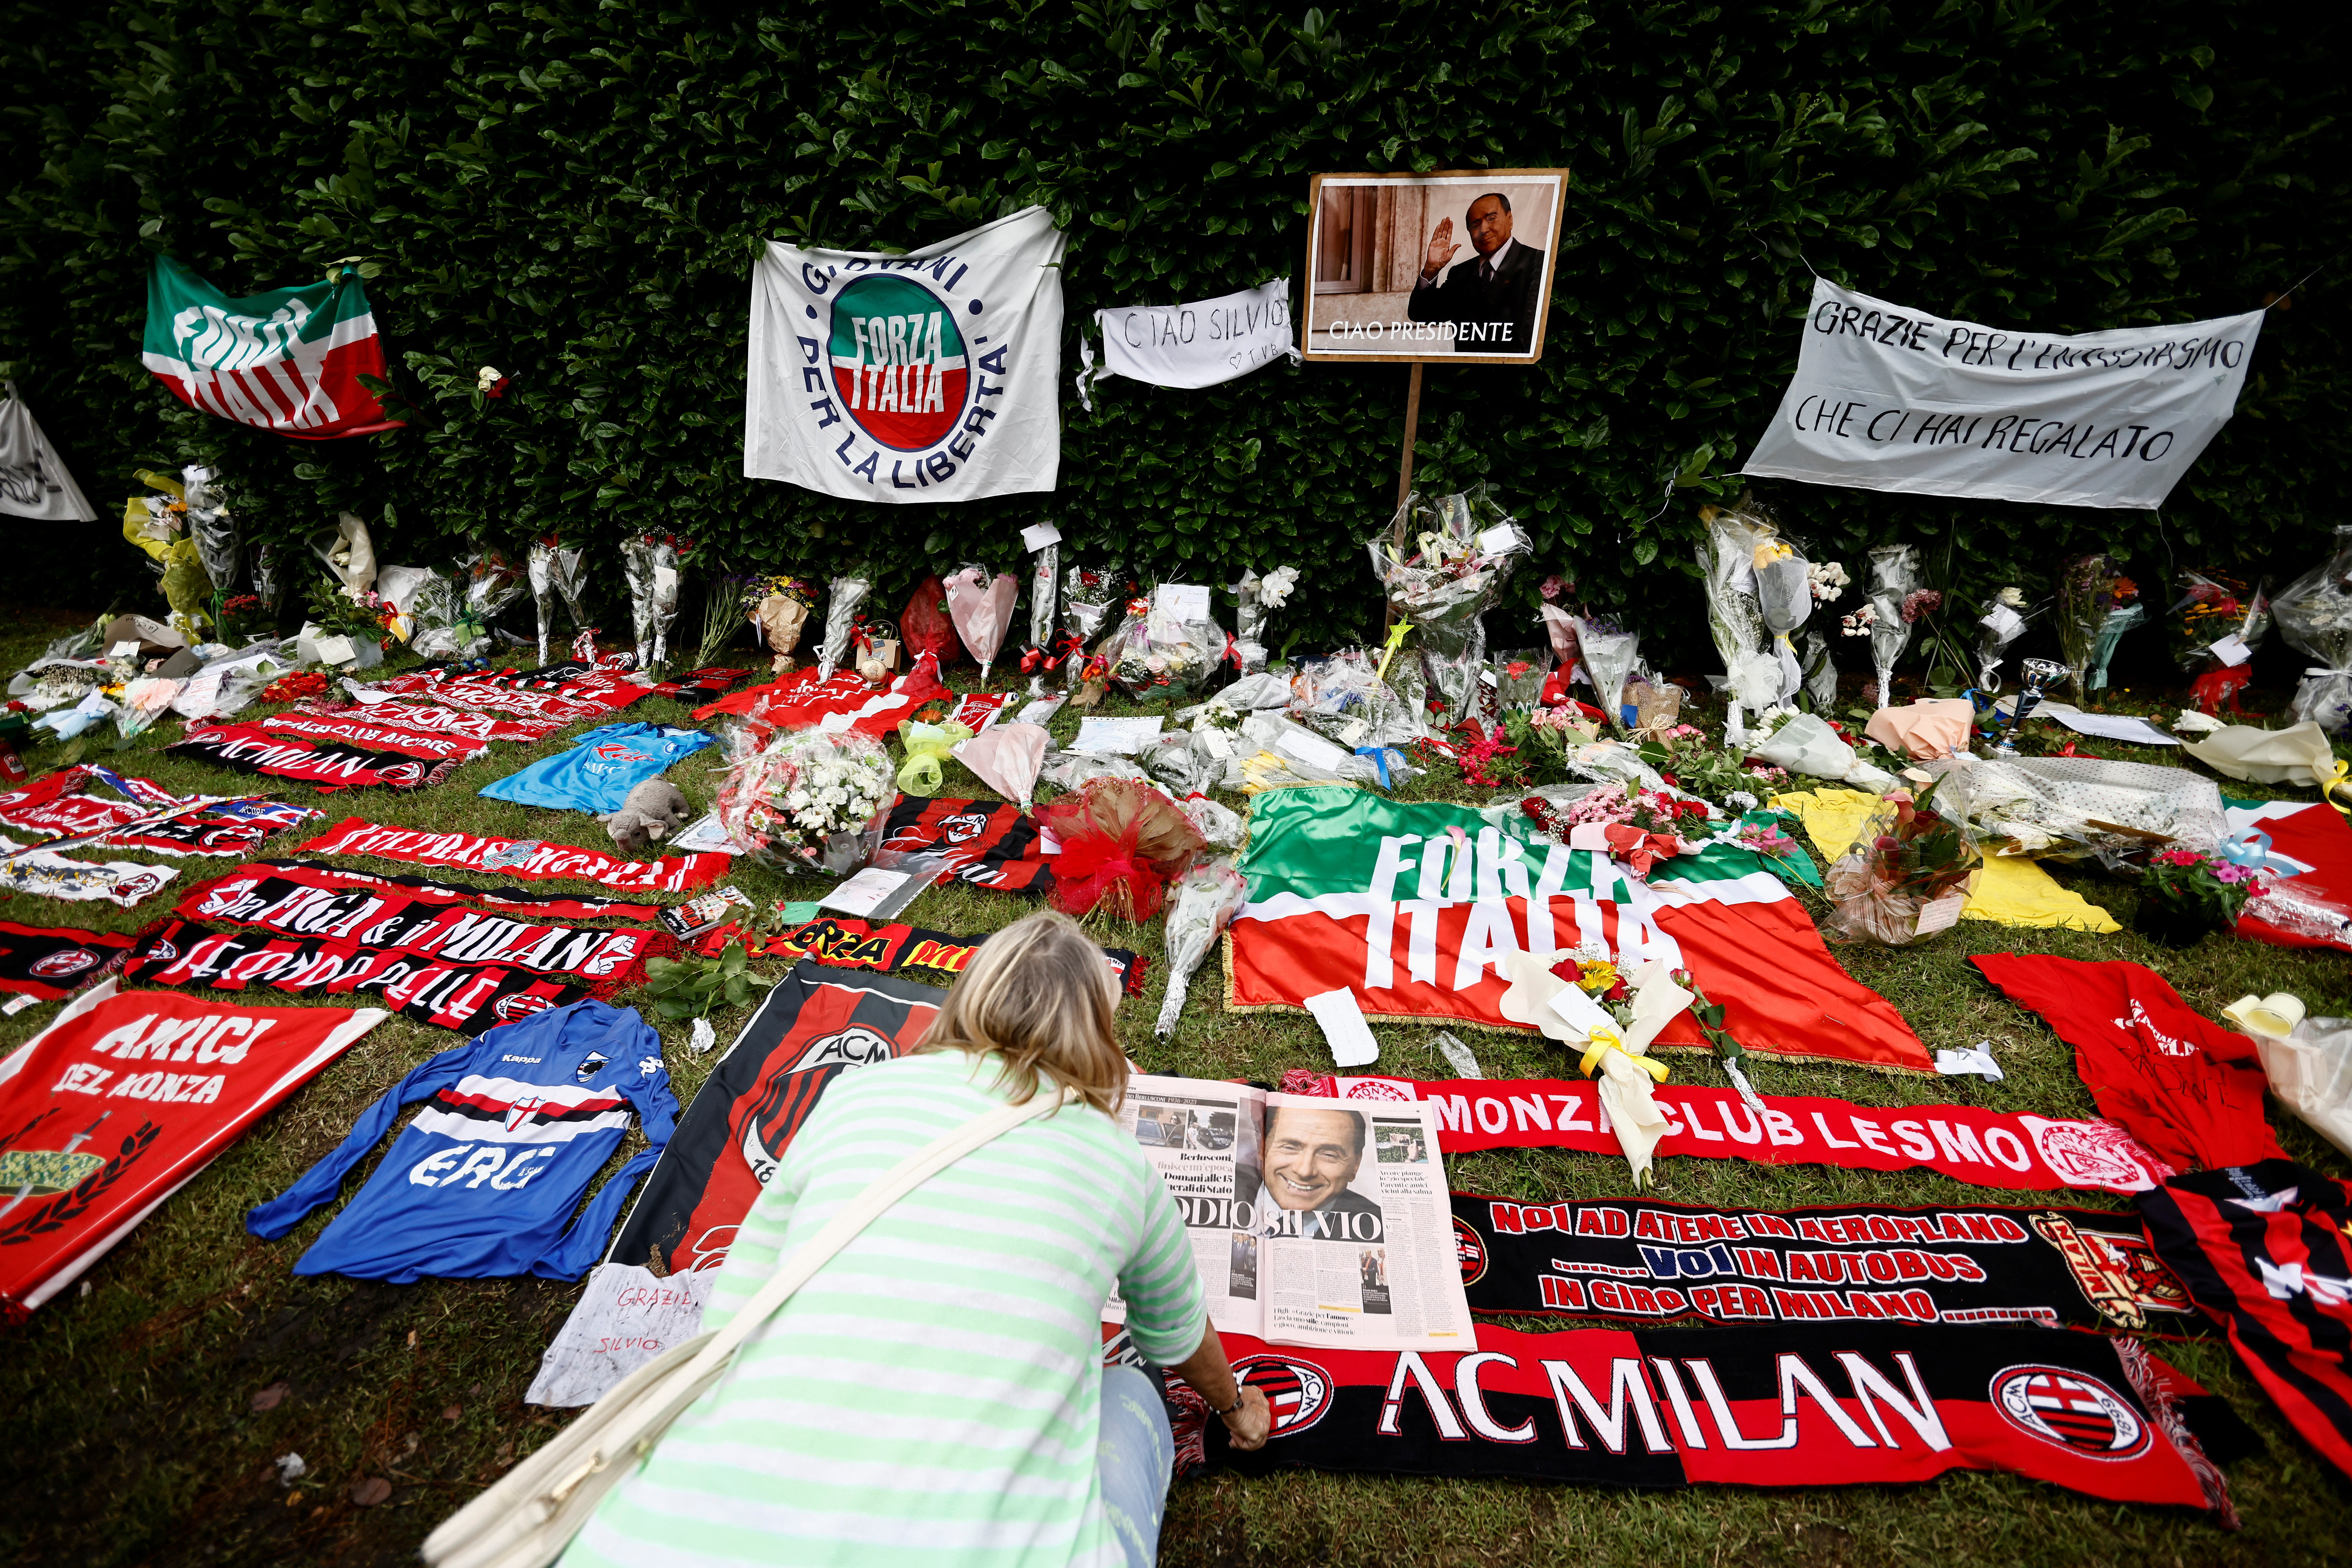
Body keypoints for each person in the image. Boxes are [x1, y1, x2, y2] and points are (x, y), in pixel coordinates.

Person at [562, 911, 1272, 1568]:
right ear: (1098, 1035)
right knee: (1130, 1389)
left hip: (672, 1534)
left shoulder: (855, 1095)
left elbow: (747, 1290)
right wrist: (1236, 1409)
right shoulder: (1119, 1161)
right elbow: (1178, 1334)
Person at [1404, 192, 1547, 354]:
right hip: (1465, 370)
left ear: (1510, 219)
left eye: (1492, 218)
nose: (1484, 230)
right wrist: (1431, 270)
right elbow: (1421, 314)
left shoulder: (1539, 263)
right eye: (1476, 224)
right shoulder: (1460, 274)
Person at [1238, 1104, 1385, 1234]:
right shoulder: (1228, 1182)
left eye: (1329, 1155)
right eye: (1290, 1147)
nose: (1305, 1171)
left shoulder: (1380, 1225)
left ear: (1356, 1165)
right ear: (1263, 1147)